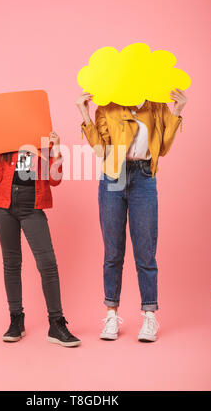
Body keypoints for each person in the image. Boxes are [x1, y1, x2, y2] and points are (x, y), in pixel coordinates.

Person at [0, 131, 81, 347]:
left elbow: (54, 181)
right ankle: (16, 320)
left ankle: (56, 324)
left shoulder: (43, 140)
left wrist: (56, 151)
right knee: (11, 264)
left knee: (47, 264)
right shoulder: (2, 142)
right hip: (4, 207)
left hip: (33, 207)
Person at [76, 90, 187, 342]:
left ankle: (149, 315)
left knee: (146, 252)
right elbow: (100, 151)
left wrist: (178, 110)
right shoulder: (108, 107)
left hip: (144, 177)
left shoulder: (156, 106)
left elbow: (164, 148)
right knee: (113, 252)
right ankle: (111, 315)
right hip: (113, 175)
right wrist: (84, 112)